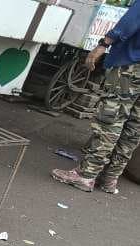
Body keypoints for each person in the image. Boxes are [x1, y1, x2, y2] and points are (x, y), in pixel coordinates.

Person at [52, 2, 140, 194]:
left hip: (130, 66)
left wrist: (103, 44)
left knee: (111, 121)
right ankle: (110, 178)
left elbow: (131, 21)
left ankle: (86, 175)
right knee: (134, 127)